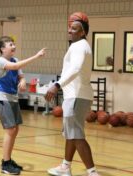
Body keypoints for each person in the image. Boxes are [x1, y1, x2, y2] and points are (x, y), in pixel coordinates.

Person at [45, 12, 100, 176]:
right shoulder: (78, 46)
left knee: (76, 135)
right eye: (69, 27)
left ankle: (93, 173)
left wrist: (57, 85)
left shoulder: (79, 46)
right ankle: (65, 167)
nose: (70, 31)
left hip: (77, 96)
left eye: (74, 28)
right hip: (76, 95)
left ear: (82, 32)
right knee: (71, 134)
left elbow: (75, 69)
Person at [0, 36, 45, 175]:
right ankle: (5, 164)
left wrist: (22, 81)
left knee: (15, 130)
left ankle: (8, 159)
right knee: (10, 130)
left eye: (14, 44)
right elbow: (15, 67)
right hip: (2, 98)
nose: (14, 46)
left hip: (13, 98)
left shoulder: (15, 59)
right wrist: (36, 56)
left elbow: (20, 74)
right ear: (3, 48)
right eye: (11, 44)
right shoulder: (0, 61)